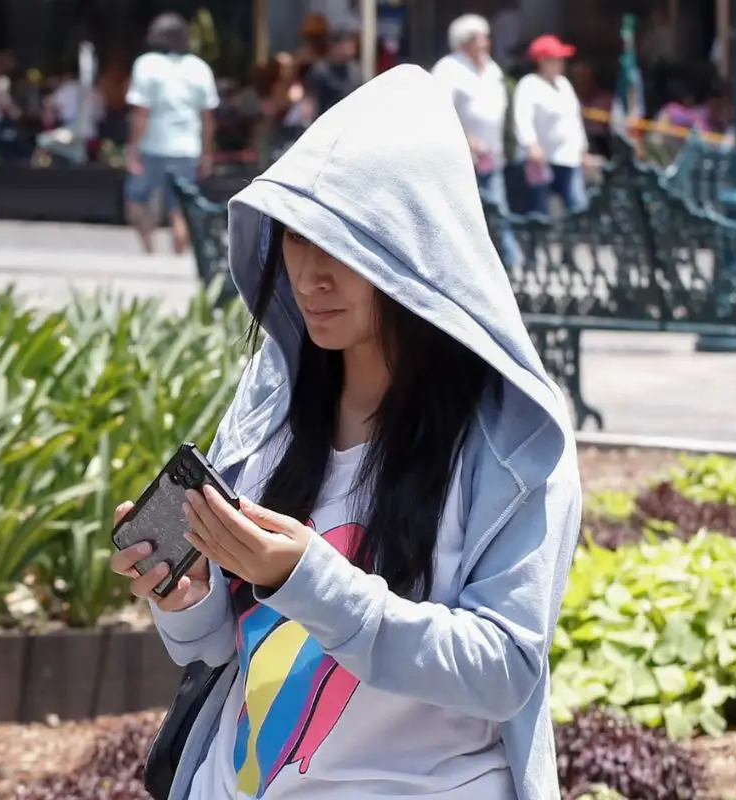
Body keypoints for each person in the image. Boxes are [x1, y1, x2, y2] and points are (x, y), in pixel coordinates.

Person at [110, 65, 580, 800]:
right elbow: (222, 650)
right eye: (294, 239)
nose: (310, 274)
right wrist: (186, 596)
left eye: (343, 244)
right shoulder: (275, 402)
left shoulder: (511, 439)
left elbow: (504, 672)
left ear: (419, 251)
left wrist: (308, 580)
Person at [123, 13, 219, 255]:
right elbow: (207, 120)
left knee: (136, 200)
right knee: (180, 207)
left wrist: (132, 149)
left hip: (152, 146)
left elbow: (141, 113)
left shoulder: (146, 65)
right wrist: (207, 153)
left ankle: (148, 250)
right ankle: (178, 256)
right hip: (187, 147)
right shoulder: (200, 68)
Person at [432, 14, 519, 268]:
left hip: (491, 159)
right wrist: (466, 139)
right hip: (459, 161)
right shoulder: (448, 68)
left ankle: (512, 267)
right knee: (459, 218)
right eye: (478, 39)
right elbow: (439, 110)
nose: (484, 43)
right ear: (464, 42)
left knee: (499, 214)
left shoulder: (491, 69)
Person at [512, 35, 589, 216]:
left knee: (577, 205)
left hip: (569, 157)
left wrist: (583, 149)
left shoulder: (564, 84)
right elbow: (522, 118)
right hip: (542, 159)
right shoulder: (529, 85)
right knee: (541, 209)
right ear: (542, 61)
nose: (561, 63)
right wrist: (531, 145)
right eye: (555, 59)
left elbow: (574, 120)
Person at [303, 28, 361, 116]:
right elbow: (310, 102)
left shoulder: (356, 70)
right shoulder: (320, 71)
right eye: (346, 44)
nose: (350, 49)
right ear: (333, 46)